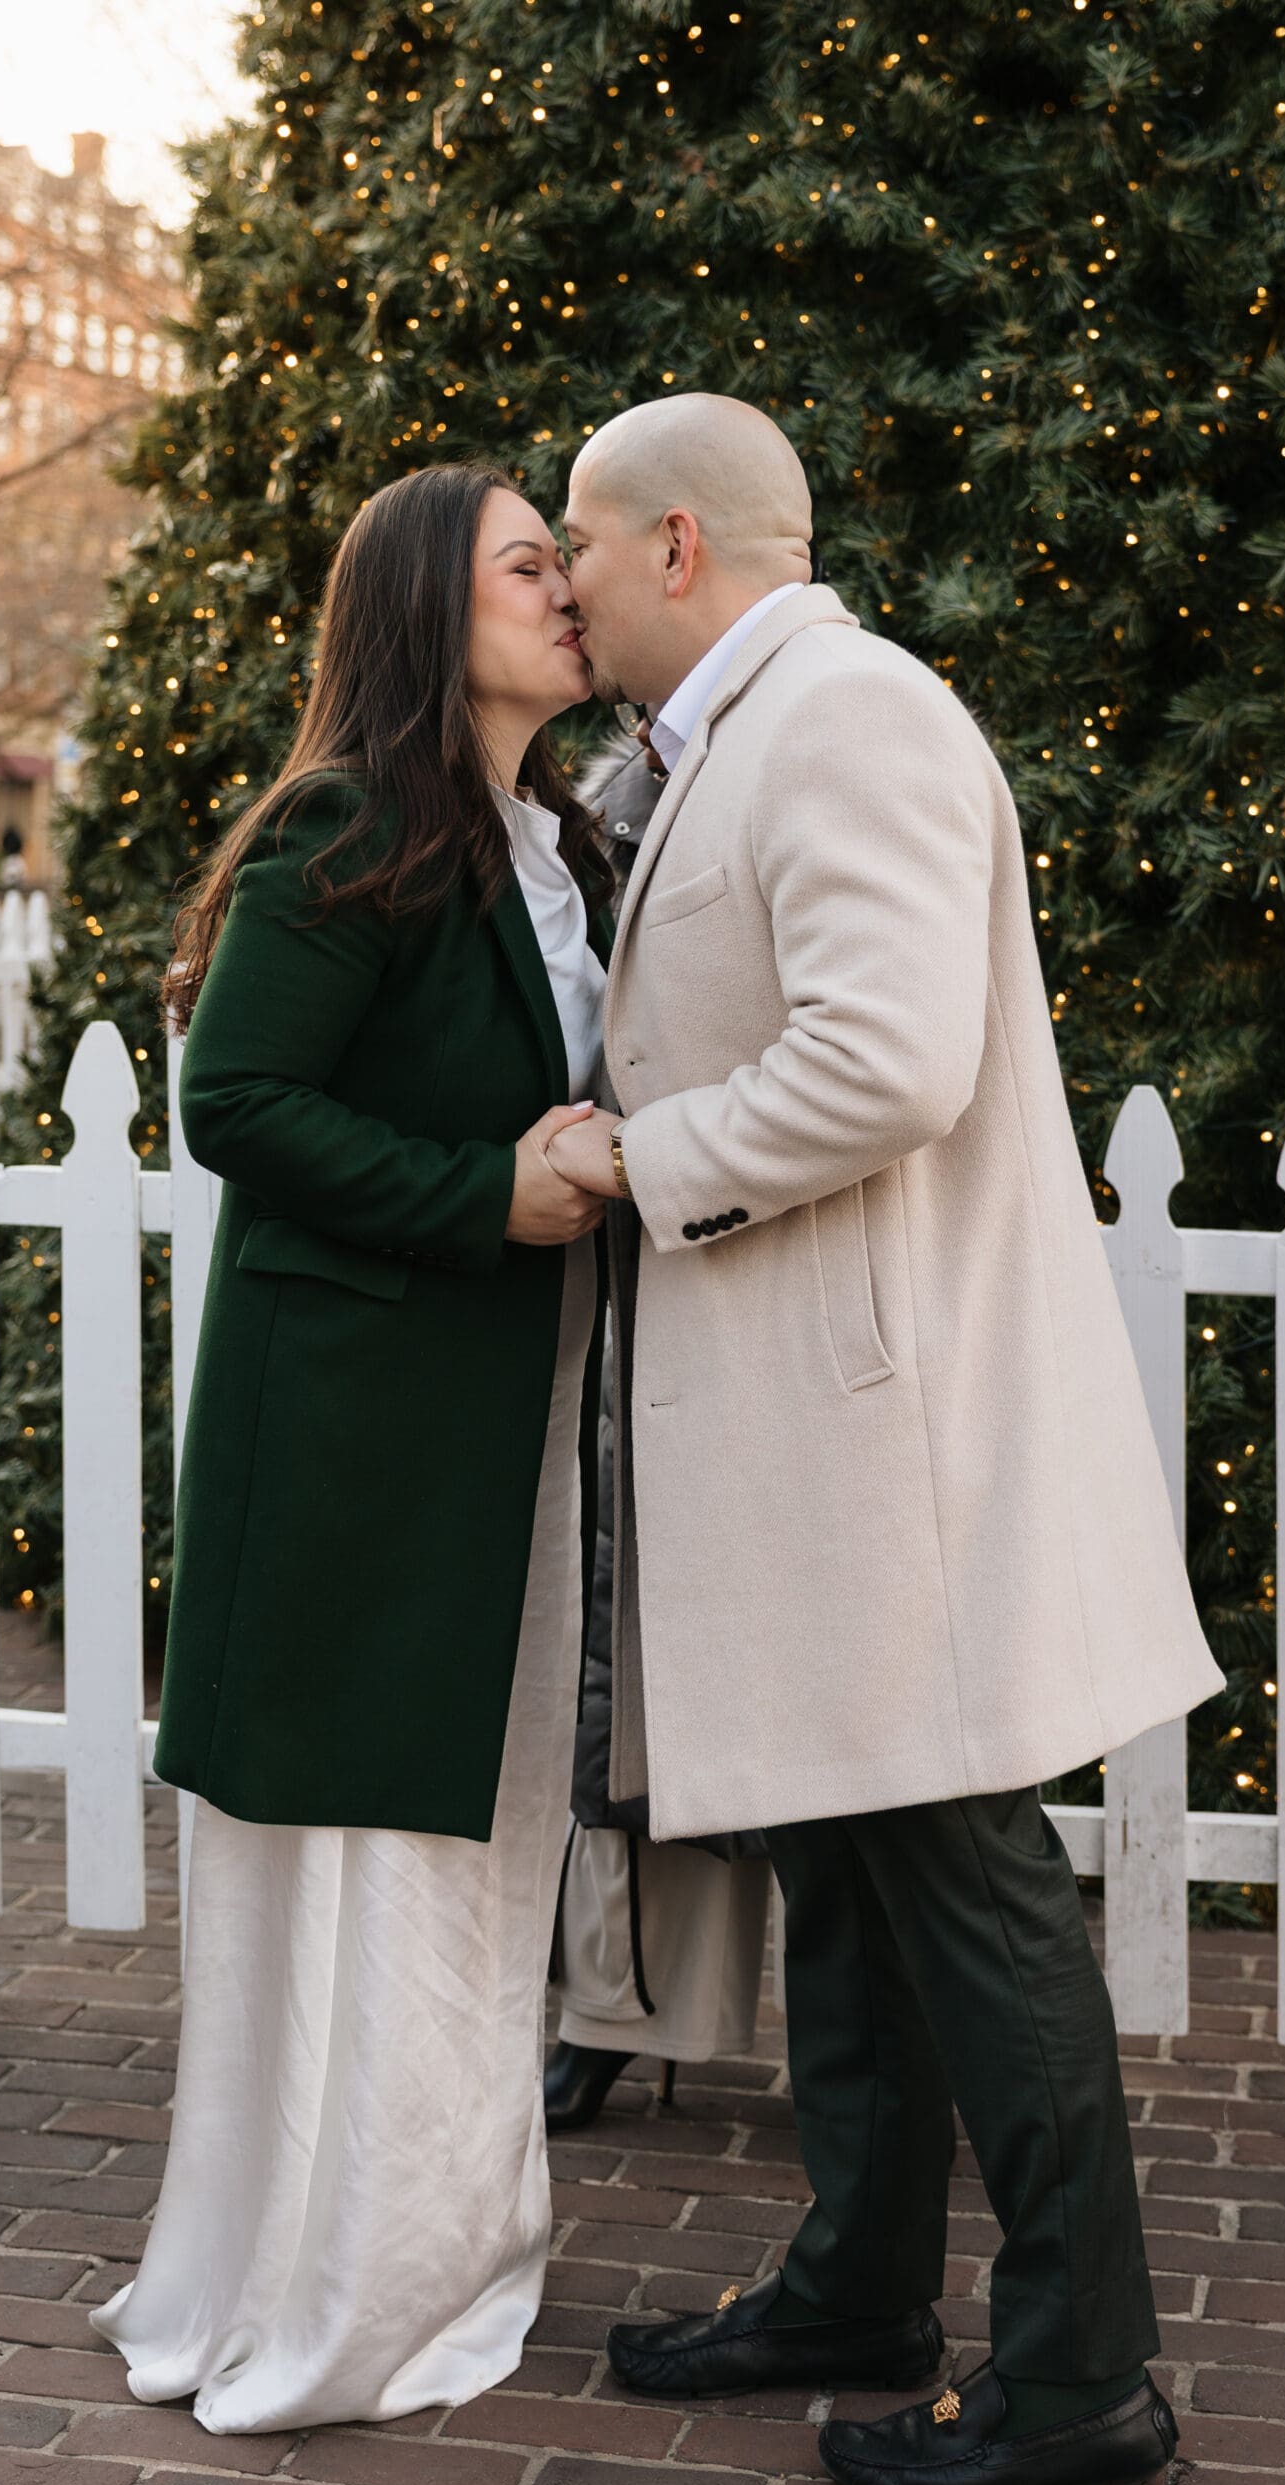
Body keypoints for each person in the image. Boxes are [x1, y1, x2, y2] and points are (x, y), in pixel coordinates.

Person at [547, 394, 1223, 2485]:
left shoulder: (847, 716)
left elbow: (887, 1051)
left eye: (574, 542)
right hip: (816, 1442)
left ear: (676, 547)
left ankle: (1081, 2370)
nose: (557, 583)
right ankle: (853, 2283)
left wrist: (646, 1161)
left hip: (885, 1441)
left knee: (961, 1882)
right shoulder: (748, 736)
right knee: (847, 1877)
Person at [91, 461, 614, 2432]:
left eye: (566, 561)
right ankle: (339, 2281)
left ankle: (427, 2242)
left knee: (470, 1849)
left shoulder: (547, 836)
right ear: (424, 608)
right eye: (525, 563)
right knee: (367, 1858)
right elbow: (236, 1097)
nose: (564, 589)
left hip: (494, 1418)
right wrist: (481, 1191)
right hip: (352, 1442)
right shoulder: (346, 826)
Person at [545, 727, 774, 2135]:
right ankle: (616, 2008)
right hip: (625, 1245)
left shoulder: (807, 742)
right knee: (630, 1665)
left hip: (766, 1232)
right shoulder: (596, 792)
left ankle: (895, 2052)